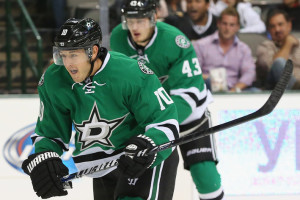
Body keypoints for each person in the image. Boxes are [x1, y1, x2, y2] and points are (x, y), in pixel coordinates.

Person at [21, 18, 180, 200]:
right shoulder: (54, 80)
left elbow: (165, 121)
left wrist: (150, 144)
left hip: (143, 160)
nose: (68, 64)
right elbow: (50, 133)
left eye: (74, 55)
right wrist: (45, 157)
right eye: (63, 55)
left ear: (93, 51)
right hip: (101, 166)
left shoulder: (131, 73)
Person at [110, 0, 225, 200]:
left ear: (153, 18)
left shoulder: (175, 40)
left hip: (188, 116)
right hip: (148, 121)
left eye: (141, 20)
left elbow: (189, 95)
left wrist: (161, 122)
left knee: (206, 176)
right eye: (130, 20)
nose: (134, 27)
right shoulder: (119, 37)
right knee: (136, 179)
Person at [193, 7, 256, 92]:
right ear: (218, 23)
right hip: (208, 88)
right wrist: (208, 78)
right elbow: (194, 72)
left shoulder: (243, 49)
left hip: (234, 90)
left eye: (232, 25)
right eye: (224, 24)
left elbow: (249, 73)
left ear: (237, 27)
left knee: (256, 92)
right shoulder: (201, 45)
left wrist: (235, 90)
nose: (227, 28)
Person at [256, 9, 300, 90]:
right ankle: (294, 89)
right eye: (273, 26)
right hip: (274, 91)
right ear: (268, 30)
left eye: (280, 24)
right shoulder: (264, 46)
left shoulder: (298, 44)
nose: (277, 29)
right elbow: (273, 68)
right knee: (278, 62)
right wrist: (288, 44)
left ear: (289, 25)